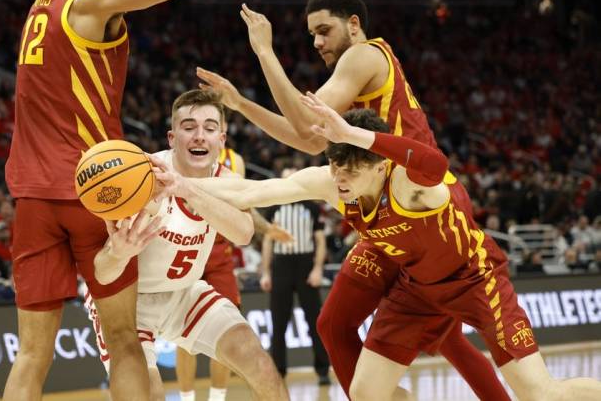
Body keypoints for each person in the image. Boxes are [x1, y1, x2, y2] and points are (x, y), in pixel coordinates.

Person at [196, 0, 509, 400]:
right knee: (344, 325)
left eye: (324, 30)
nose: (317, 42)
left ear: (354, 24)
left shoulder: (363, 55)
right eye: (311, 35)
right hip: (384, 207)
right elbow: (309, 139)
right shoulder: (351, 82)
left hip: (424, 205)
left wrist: (265, 53)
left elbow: (308, 129)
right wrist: (240, 105)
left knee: (442, 335)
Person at [191, 96, 601, 401]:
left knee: (541, 394)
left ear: (379, 164)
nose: (340, 177)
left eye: (351, 168)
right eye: (336, 165)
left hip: (476, 280)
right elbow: (251, 189)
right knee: (367, 394)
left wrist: (354, 134)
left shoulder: (409, 182)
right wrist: (179, 184)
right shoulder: (334, 182)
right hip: (417, 289)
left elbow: (436, 166)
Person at [2, 0, 221, 399]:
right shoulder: (91, 1)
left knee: (30, 354)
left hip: (32, 197)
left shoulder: (44, 2)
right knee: (124, 339)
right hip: (97, 190)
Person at [91, 90, 288, 400]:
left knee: (260, 364)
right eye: (189, 127)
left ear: (222, 139)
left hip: (185, 293)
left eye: (209, 128)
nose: (200, 137)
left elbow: (244, 233)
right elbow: (101, 273)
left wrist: (189, 190)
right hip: (130, 301)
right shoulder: (142, 180)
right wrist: (118, 253)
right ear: (172, 137)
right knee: (148, 394)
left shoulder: (225, 179)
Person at [175, 143, 293, 401]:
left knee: (226, 332)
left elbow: (245, 208)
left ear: (223, 133)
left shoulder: (234, 161)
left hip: (218, 253)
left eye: (212, 126)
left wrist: (267, 230)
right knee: (182, 340)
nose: (202, 134)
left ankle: (217, 398)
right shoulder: (176, 158)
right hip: (183, 246)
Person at [260, 176, 330, 383]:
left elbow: (320, 240)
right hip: (281, 265)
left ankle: (323, 370)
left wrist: (317, 269)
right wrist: (266, 272)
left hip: (305, 265)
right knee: (278, 322)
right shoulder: (274, 208)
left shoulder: (311, 207)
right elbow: (267, 242)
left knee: (315, 321)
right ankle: (278, 373)